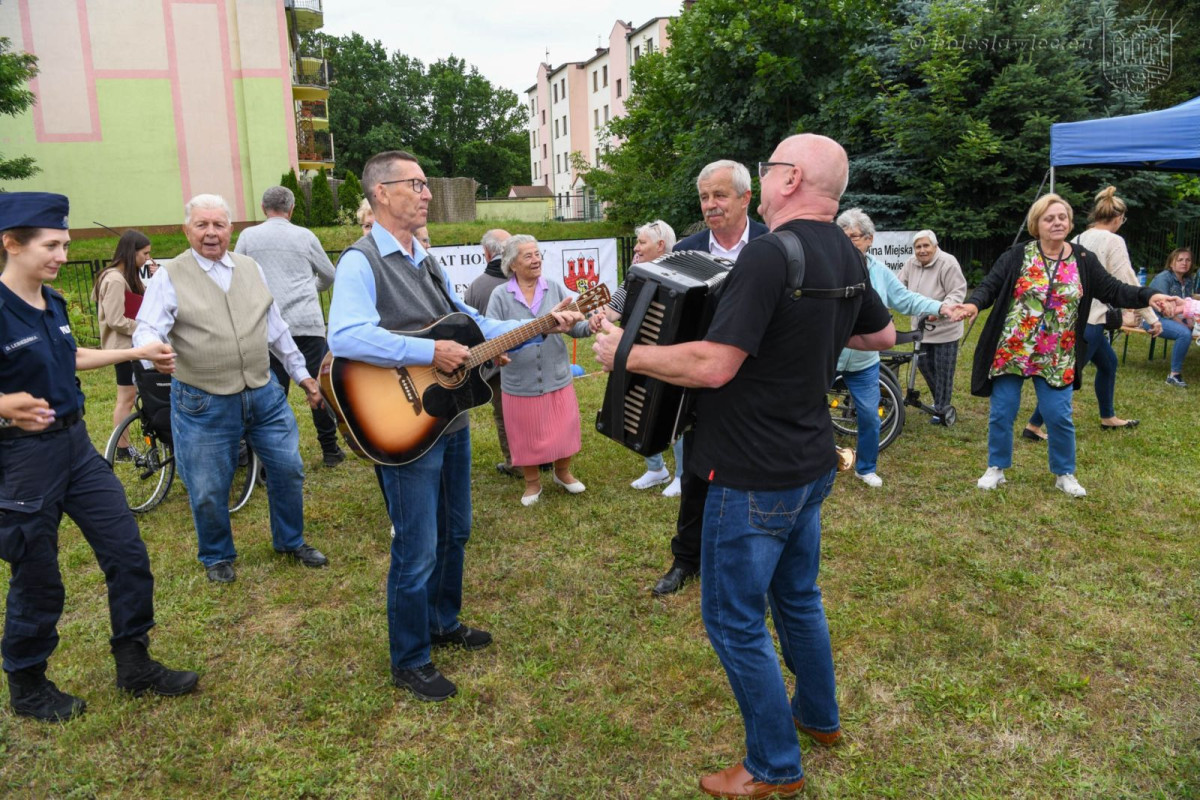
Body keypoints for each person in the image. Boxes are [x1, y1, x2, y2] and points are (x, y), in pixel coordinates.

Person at [594, 135, 895, 799]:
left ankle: (772, 766)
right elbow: (879, 333)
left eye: (769, 167)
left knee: (733, 619)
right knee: (797, 598)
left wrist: (627, 354)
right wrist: (804, 336)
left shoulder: (767, 253)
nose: (764, 175)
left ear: (790, 179)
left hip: (752, 470)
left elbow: (714, 364)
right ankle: (818, 718)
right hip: (810, 460)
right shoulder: (843, 247)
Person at [327, 150, 581, 702]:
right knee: (416, 548)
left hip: (449, 418)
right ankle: (410, 659)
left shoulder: (426, 257)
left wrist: (538, 327)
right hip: (400, 422)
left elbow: (474, 325)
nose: (424, 193)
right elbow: (344, 335)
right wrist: (428, 349)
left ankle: (442, 622)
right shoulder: (361, 260)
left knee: (456, 531)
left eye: (424, 184)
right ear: (381, 193)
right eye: (414, 184)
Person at [0, 192, 198, 723]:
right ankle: (28, 684)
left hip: (75, 448)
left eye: (64, 244)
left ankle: (134, 663)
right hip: (21, 459)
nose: (63, 254)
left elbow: (72, 355)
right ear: (11, 244)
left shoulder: (52, 301)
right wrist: (3, 405)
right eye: (52, 244)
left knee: (127, 553)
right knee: (37, 574)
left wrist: (138, 351)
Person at [133, 194, 330, 583]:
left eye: (218, 225)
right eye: (202, 225)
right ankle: (217, 555)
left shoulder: (250, 267)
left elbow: (275, 328)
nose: (211, 233)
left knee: (289, 469)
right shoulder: (169, 275)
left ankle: (290, 540)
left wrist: (303, 374)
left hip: (263, 392)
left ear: (231, 229)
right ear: (186, 230)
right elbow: (147, 327)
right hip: (203, 399)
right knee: (208, 486)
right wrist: (151, 354)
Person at [948, 194, 1177, 497]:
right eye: (1049, 218)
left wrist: (1149, 296)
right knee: (1003, 411)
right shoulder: (1017, 255)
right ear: (1036, 224)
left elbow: (1113, 289)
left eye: (1062, 217)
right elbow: (990, 287)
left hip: (1057, 352)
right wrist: (974, 305)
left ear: (1069, 222)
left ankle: (1064, 473)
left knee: (1058, 415)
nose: (1057, 222)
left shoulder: (1083, 259)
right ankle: (996, 468)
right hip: (1014, 348)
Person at [652, 160, 769, 595]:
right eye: (704, 197)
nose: (710, 205)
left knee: (755, 476)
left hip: (759, 381)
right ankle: (686, 559)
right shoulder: (687, 249)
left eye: (719, 195)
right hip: (702, 380)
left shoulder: (772, 244)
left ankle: (747, 562)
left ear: (745, 198)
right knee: (697, 471)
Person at [1023, 186, 1159, 439]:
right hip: (1092, 321)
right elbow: (1126, 281)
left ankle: (1108, 416)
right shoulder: (1114, 241)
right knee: (1067, 375)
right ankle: (1033, 425)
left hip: (1074, 317)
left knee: (1108, 364)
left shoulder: (1078, 238)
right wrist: (1151, 317)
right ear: (1118, 218)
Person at [836, 209, 948, 486]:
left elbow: (905, 300)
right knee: (807, 410)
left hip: (865, 361)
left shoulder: (879, 271)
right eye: (843, 237)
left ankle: (866, 468)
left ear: (870, 240)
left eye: (854, 238)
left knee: (870, 417)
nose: (848, 243)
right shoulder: (828, 267)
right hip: (828, 357)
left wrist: (940, 306)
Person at [234, 186, 343, 466]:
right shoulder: (305, 236)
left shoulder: (248, 236)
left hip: (267, 323)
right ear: (291, 209)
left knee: (272, 391)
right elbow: (330, 274)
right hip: (307, 322)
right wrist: (313, 287)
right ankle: (330, 449)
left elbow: (236, 275)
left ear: (262, 207)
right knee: (317, 386)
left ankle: (267, 458)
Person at [487, 235, 592, 506]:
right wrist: (499, 352)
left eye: (537, 254)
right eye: (528, 256)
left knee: (565, 427)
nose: (536, 260)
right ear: (512, 263)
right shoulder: (500, 295)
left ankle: (563, 473)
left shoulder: (555, 288)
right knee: (524, 435)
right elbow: (490, 336)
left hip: (556, 375)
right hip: (518, 381)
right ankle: (532, 484)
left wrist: (590, 324)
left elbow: (575, 326)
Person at [593, 220, 684, 493]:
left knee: (674, 413)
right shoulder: (636, 273)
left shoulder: (683, 273)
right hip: (633, 353)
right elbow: (615, 307)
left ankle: (682, 475)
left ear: (660, 245)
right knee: (636, 404)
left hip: (671, 355)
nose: (636, 247)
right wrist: (600, 316)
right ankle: (656, 468)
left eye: (642, 242)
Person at [93, 229, 153, 458]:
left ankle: (124, 446)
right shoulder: (115, 279)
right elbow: (116, 320)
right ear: (132, 252)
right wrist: (145, 327)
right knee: (126, 397)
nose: (147, 258)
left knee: (130, 395)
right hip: (123, 349)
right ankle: (122, 448)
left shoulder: (123, 277)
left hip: (130, 348)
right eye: (145, 253)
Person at [897, 230, 967, 425]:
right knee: (923, 365)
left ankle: (942, 410)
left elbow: (957, 290)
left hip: (944, 328)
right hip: (920, 329)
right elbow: (898, 286)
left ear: (935, 246)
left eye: (926, 245)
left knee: (943, 370)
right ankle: (940, 403)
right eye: (918, 247)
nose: (922, 250)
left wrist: (942, 309)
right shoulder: (911, 263)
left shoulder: (948, 262)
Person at [462, 229, 517, 477]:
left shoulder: (475, 288)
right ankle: (542, 457)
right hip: (528, 358)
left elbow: (467, 328)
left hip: (495, 366)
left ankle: (513, 462)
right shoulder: (524, 281)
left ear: (486, 253)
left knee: (504, 415)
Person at [1144, 248, 1195, 387]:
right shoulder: (1164, 278)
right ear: (1171, 263)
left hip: (1176, 317)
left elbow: (1188, 304)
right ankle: (1174, 375)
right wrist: (1185, 325)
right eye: (1180, 260)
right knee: (1184, 334)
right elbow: (1163, 309)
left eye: (1188, 260)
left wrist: (1190, 320)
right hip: (1153, 319)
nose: (1184, 263)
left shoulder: (1188, 280)